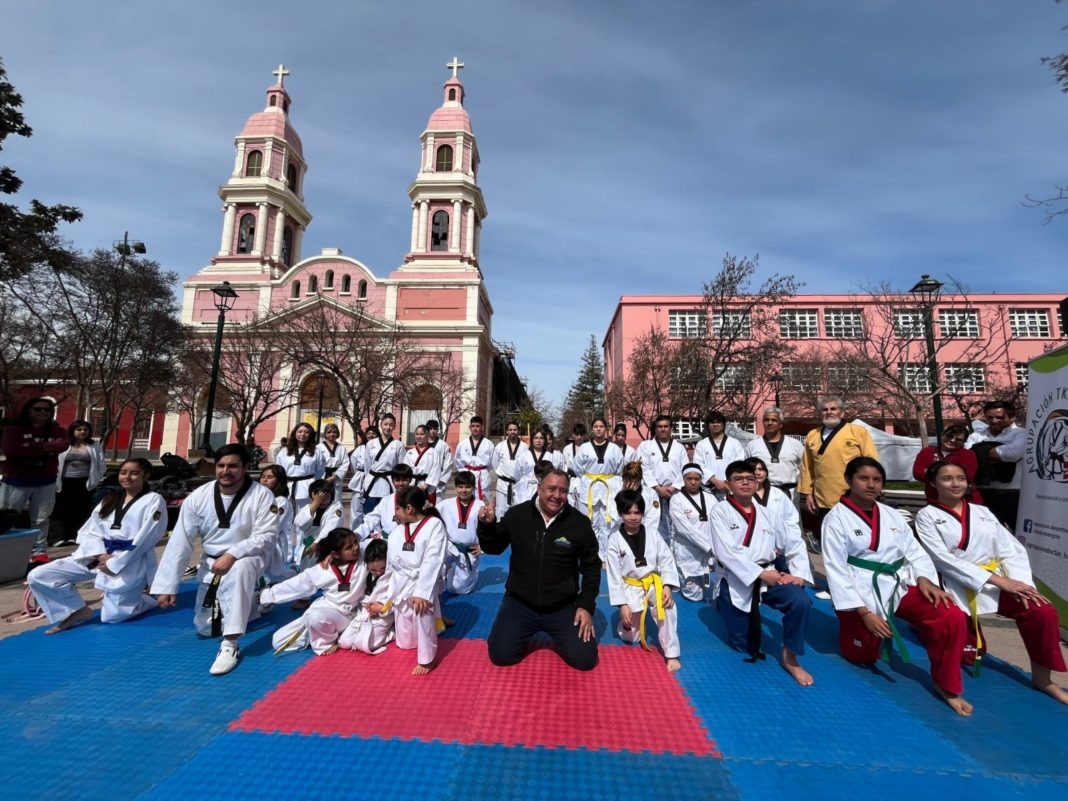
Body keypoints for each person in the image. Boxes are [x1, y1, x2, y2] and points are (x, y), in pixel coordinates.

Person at [822, 456, 972, 716]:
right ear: (848, 480)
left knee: (950, 614)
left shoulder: (891, 514)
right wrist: (864, 614)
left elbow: (914, 551)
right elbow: (836, 570)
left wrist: (925, 579)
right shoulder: (835, 520)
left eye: (876, 480)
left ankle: (946, 684)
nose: (871, 485)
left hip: (898, 583)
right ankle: (855, 636)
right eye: (863, 478)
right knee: (863, 656)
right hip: (860, 591)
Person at [915, 462, 1067, 703]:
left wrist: (1020, 585)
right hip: (955, 582)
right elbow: (942, 559)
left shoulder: (982, 512)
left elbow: (1010, 550)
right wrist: (997, 581)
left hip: (996, 582)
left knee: (1042, 611)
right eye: (947, 479)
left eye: (960, 478)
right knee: (967, 652)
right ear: (933, 483)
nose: (955, 484)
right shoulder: (927, 516)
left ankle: (1043, 679)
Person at [151, 444, 280, 675]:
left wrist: (233, 554)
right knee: (207, 628)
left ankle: (230, 644)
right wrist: (167, 585)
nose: (225, 471)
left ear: (245, 467)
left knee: (239, 570)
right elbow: (181, 540)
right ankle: (251, 603)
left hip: (250, 557)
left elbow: (267, 536)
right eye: (221, 465)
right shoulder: (198, 497)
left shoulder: (262, 495)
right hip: (212, 562)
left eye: (233, 466)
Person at [477, 468, 601, 671]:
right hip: (520, 603)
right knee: (501, 655)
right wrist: (487, 526)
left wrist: (586, 606)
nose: (557, 496)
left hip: (562, 606)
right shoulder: (518, 515)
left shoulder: (579, 524)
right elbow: (493, 547)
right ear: (539, 488)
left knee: (585, 660)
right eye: (551, 489)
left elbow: (592, 567)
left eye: (563, 491)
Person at [28, 458, 167, 633]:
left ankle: (147, 599)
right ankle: (76, 610)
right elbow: (90, 531)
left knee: (113, 616)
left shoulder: (154, 500)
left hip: (130, 560)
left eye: (134, 473)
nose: (127, 477)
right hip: (97, 556)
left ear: (145, 476)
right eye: (123, 473)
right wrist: (99, 554)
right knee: (39, 575)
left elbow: (147, 537)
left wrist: (115, 563)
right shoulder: (110, 498)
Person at [711, 461, 815, 685]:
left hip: (770, 574)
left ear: (757, 481)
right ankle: (722, 602)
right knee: (742, 645)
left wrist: (797, 574)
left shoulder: (768, 514)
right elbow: (726, 553)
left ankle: (791, 658)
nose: (745, 482)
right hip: (736, 578)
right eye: (738, 479)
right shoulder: (720, 512)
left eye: (750, 478)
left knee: (800, 602)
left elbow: (793, 541)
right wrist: (759, 574)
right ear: (728, 484)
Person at [262, 527, 373, 656]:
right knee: (278, 641)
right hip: (326, 609)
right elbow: (297, 584)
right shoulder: (323, 569)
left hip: (347, 613)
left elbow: (378, 543)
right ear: (335, 554)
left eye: (355, 542)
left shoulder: (363, 555)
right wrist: (268, 595)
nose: (355, 547)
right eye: (349, 547)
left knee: (317, 617)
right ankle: (319, 631)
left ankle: (325, 643)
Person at [607, 489, 681, 671]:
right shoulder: (614, 540)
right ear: (620, 514)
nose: (633, 517)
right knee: (631, 636)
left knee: (667, 606)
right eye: (628, 512)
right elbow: (614, 576)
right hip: (630, 585)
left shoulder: (653, 534)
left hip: (652, 581)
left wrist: (667, 585)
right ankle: (627, 623)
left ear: (643, 513)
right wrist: (622, 604)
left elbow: (666, 559)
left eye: (637, 512)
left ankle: (671, 653)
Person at [797, 396, 879, 548]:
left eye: (833, 409)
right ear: (820, 413)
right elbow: (807, 466)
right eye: (825, 409)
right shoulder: (812, 435)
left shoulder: (858, 432)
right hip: (824, 497)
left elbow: (871, 462)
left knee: (857, 540)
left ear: (842, 412)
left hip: (853, 496)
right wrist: (808, 493)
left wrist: (872, 487)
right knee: (831, 542)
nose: (829, 412)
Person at [384, 486, 447, 675]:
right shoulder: (398, 531)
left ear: (409, 508)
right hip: (402, 581)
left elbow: (433, 559)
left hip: (422, 580)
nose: (395, 513)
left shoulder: (434, 525)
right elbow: (391, 564)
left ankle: (427, 659)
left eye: (397, 508)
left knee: (422, 612)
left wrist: (422, 592)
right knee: (405, 640)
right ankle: (434, 626)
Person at [0, 397, 69, 556]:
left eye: (47, 409)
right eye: (38, 409)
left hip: (46, 481)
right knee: (7, 517)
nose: (43, 412)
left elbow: (62, 445)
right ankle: (7, 552)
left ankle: (38, 553)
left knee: (41, 519)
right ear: (28, 411)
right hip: (16, 481)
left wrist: (31, 446)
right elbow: (12, 451)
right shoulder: (14, 430)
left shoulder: (57, 430)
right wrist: (48, 448)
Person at [965, 400, 1025, 529]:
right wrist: (996, 453)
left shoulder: (1022, 434)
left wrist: (980, 451)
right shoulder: (977, 435)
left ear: (1011, 417)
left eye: (999, 417)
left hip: (1013, 496)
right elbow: (967, 457)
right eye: (990, 417)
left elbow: (1011, 454)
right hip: (983, 494)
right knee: (988, 535)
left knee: (1019, 535)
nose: (994, 420)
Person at [571, 418, 625, 559]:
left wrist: (610, 479)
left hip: (609, 486)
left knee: (608, 522)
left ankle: (607, 556)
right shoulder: (584, 448)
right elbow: (578, 469)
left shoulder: (614, 448)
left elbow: (619, 469)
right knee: (590, 521)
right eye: (596, 426)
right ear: (592, 429)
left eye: (601, 426)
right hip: (590, 486)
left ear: (606, 429)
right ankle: (590, 555)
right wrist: (589, 478)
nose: (599, 429)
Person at [51, 419, 106, 546]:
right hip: (63, 482)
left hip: (84, 483)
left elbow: (101, 464)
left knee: (80, 509)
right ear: (72, 431)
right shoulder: (64, 444)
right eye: (79, 429)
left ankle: (74, 535)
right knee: (59, 509)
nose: (82, 432)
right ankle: (56, 537)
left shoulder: (94, 446)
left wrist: (97, 479)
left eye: (85, 430)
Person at [337, 538, 396, 654]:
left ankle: (394, 632)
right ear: (367, 564)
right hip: (363, 613)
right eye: (373, 569)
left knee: (367, 645)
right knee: (344, 643)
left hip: (383, 616)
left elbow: (395, 598)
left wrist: (381, 607)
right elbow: (360, 545)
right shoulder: (364, 574)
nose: (378, 572)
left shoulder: (393, 576)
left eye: (383, 568)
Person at [669, 463, 717, 601]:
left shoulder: (710, 497)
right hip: (687, 550)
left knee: (710, 589)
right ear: (683, 479)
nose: (693, 482)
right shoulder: (676, 499)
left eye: (697, 478)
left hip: (708, 551)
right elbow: (684, 528)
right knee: (694, 595)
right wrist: (709, 545)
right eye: (689, 478)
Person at [636, 414, 686, 543]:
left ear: (671, 428)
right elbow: (643, 468)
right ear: (656, 428)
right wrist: (658, 488)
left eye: (666, 426)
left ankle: (673, 556)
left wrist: (673, 487)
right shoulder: (645, 446)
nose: (663, 429)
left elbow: (685, 470)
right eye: (660, 427)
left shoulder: (679, 448)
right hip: (652, 491)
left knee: (676, 525)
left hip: (674, 492)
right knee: (651, 524)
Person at [911, 424, 982, 505]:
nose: (952, 440)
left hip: (964, 501)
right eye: (949, 436)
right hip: (934, 499)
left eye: (958, 439)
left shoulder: (969, 455)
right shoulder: (927, 452)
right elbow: (917, 473)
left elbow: (967, 477)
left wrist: (931, 473)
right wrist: (951, 475)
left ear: (964, 442)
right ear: (942, 435)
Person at [440, 471, 483, 594]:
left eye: (468, 487)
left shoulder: (480, 505)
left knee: (458, 589)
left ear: (474, 487)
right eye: (460, 487)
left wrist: (482, 547)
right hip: (448, 545)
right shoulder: (445, 504)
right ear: (456, 487)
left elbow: (487, 530)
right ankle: (446, 571)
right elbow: (431, 519)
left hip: (469, 549)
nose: (464, 490)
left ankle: (469, 575)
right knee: (436, 572)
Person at [746, 407, 804, 497]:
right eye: (766, 420)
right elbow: (746, 470)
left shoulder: (795, 444)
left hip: (790, 493)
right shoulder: (752, 445)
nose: (769, 423)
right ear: (763, 423)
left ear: (780, 424)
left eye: (774, 420)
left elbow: (804, 468)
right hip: (761, 492)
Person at [747, 456, 804, 549]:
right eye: (753, 470)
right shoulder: (742, 496)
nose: (757, 473)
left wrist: (786, 542)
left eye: (761, 469)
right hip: (753, 545)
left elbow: (791, 519)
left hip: (779, 544)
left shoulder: (777, 493)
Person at [694, 411, 746, 500]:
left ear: (723, 424)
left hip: (731, 487)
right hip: (709, 489)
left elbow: (740, 464)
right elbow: (699, 465)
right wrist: (715, 482)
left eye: (718, 422)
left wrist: (727, 482)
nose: (715, 424)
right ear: (707, 425)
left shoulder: (734, 443)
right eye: (712, 422)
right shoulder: (701, 444)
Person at [275, 422, 326, 514]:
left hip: (307, 488)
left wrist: (316, 488)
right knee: (285, 516)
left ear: (310, 435)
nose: (303, 434)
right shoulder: (284, 451)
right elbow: (279, 470)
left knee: (305, 516)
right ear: (295, 433)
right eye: (300, 431)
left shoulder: (316, 452)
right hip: (287, 487)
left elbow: (320, 472)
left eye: (306, 432)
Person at [258, 465, 296, 583]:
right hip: (257, 540)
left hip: (274, 544)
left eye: (270, 477)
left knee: (273, 577)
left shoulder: (281, 502)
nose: (264, 480)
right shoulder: (259, 498)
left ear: (279, 481)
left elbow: (273, 525)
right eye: (263, 476)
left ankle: (293, 575)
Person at [361, 414, 406, 516]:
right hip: (372, 481)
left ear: (394, 427)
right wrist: (367, 478)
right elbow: (367, 465)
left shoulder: (398, 445)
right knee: (369, 514)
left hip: (389, 481)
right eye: (385, 424)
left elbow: (400, 466)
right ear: (381, 425)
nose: (388, 427)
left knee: (387, 515)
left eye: (391, 425)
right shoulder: (371, 443)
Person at [355, 464, 413, 541]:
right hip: (386, 539)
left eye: (404, 480)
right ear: (392, 481)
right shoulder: (386, 500)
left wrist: (384, 534)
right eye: (397, 480)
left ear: (410, 480)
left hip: (409, 539)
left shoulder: (417, 499)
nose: (401, 484)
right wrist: (358, 534)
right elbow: (371, 519)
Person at [293, 479, 345, 560]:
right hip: (309, 545)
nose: (323, 501)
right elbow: (299, 523)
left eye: (326, 497)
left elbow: (330, 528)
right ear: (312, 497)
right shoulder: (309, 508)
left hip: (327, 545)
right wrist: (315, 504)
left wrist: (317, 542)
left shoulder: (336, 507)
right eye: (320, 499)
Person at [492, 421, 531, 518]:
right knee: (501, 511)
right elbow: (495, 464)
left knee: (518, 511)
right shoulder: (500, 446)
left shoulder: (525, 447)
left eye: (515, 430)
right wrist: (502, 474)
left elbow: (527, 466)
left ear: (518, 431)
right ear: (506, 432)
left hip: (518, 484)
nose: (512, 432)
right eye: (510, 430)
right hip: (503, 483)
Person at [453, 415, 493, 501]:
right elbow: (457, 460)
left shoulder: (488, 444)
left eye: (478, 426)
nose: (475, 428)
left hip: (482, 477)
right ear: (470, 427)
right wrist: (464, 472)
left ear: (482, 427)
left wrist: (483, 471)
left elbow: (492, 463)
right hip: (467, 475)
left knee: (483, 502)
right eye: (473, 426)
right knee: (466, 501)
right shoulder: (462, 444)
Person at [405, 424, 442, 504]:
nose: (419, 436)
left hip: (426, 486)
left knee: (426, 511)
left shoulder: (433, 452)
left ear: (427, 435)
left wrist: (426, 485)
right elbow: (406, 470)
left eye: (422, 434)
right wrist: (408, 483)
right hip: (411, 485)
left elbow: (436, 470)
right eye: (417, 434)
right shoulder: (410, 452)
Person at [316, 423, 349, 505]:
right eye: (329, 432)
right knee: (321, 500)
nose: (332, 434)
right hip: (323, 476)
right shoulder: (318, 447)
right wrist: (322, 477)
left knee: (335, 501)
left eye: (334, 432)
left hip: (336, 476)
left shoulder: (342, 448)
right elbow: (315, 464)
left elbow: (345, 463)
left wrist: (335, 476)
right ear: (325, 434)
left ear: (337, 433)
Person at [426, 419, 454, 501]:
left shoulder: (443, 445)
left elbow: (448, 463)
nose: (432, 431)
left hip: (438, 480)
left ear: (437, 430)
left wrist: (442, 479)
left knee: (438, 506)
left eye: (435, 429)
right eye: (430, 429)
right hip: (424, 479)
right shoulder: (422, 444)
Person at [347, 427, 369, 527]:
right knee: (356, 507)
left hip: (374, 479)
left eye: (374, 433)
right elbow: (353, 462)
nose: (371, 436)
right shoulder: (360, 448)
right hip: (360, 478)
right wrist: (359, 474)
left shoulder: (379, 448)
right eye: (369, 433)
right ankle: (354, 531)